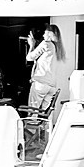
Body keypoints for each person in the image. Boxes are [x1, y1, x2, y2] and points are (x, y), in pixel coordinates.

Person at [24, 23, 67, 155]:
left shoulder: (46, 44)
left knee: (33, 114)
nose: (43, 35)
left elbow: (29, 57)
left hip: (40, 83)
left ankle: (31, 146)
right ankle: (44, 145)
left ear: (49, 33)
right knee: (44, 117)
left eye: (45, 32)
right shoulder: (57, 48)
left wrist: (31, 44)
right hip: (51, 86)